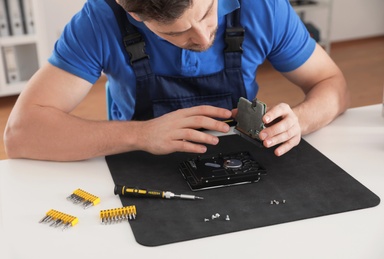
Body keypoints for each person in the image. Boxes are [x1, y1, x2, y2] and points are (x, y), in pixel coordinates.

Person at [4, 0, 349, 161]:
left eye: (207, 12)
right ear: (134, 15)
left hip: (242, 159)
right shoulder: (99, 20)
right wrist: (141, 134)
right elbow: (21, 134)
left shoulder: (261, 6)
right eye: (177, 32)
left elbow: (332, 84)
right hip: (140, 160)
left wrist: (300, 120)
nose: (202, 37)